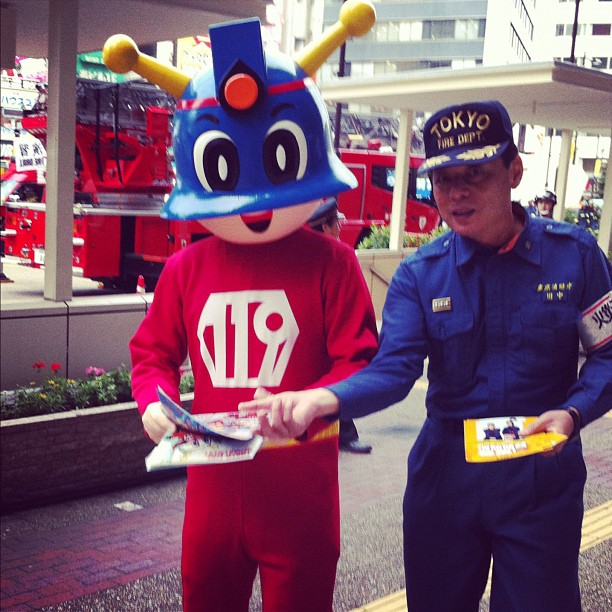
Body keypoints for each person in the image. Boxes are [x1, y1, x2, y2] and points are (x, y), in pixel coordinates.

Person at [241, 99, 612, 611]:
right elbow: (393, 370)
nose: (455, 193)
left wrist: (573, 414)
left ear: (515, 171)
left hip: (540, 479)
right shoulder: (421, 274)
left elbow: (608, 356)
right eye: (442, 179)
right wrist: (318, 401)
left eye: (475, 174)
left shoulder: (576, 256)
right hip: (446, 482)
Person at [110, 4, 379, 611]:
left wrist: (315, 400)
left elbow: (361, 361)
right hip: (211, 488)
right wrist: (153, 403)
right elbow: (151, 355)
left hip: (301, 486)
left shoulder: (332, 263)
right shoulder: (185, 269)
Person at [308, 197, 373, 454]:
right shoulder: (329, 256)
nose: (339, 228)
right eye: (336, 223)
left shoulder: (337, 255)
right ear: (324, 226)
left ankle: (344, 433)